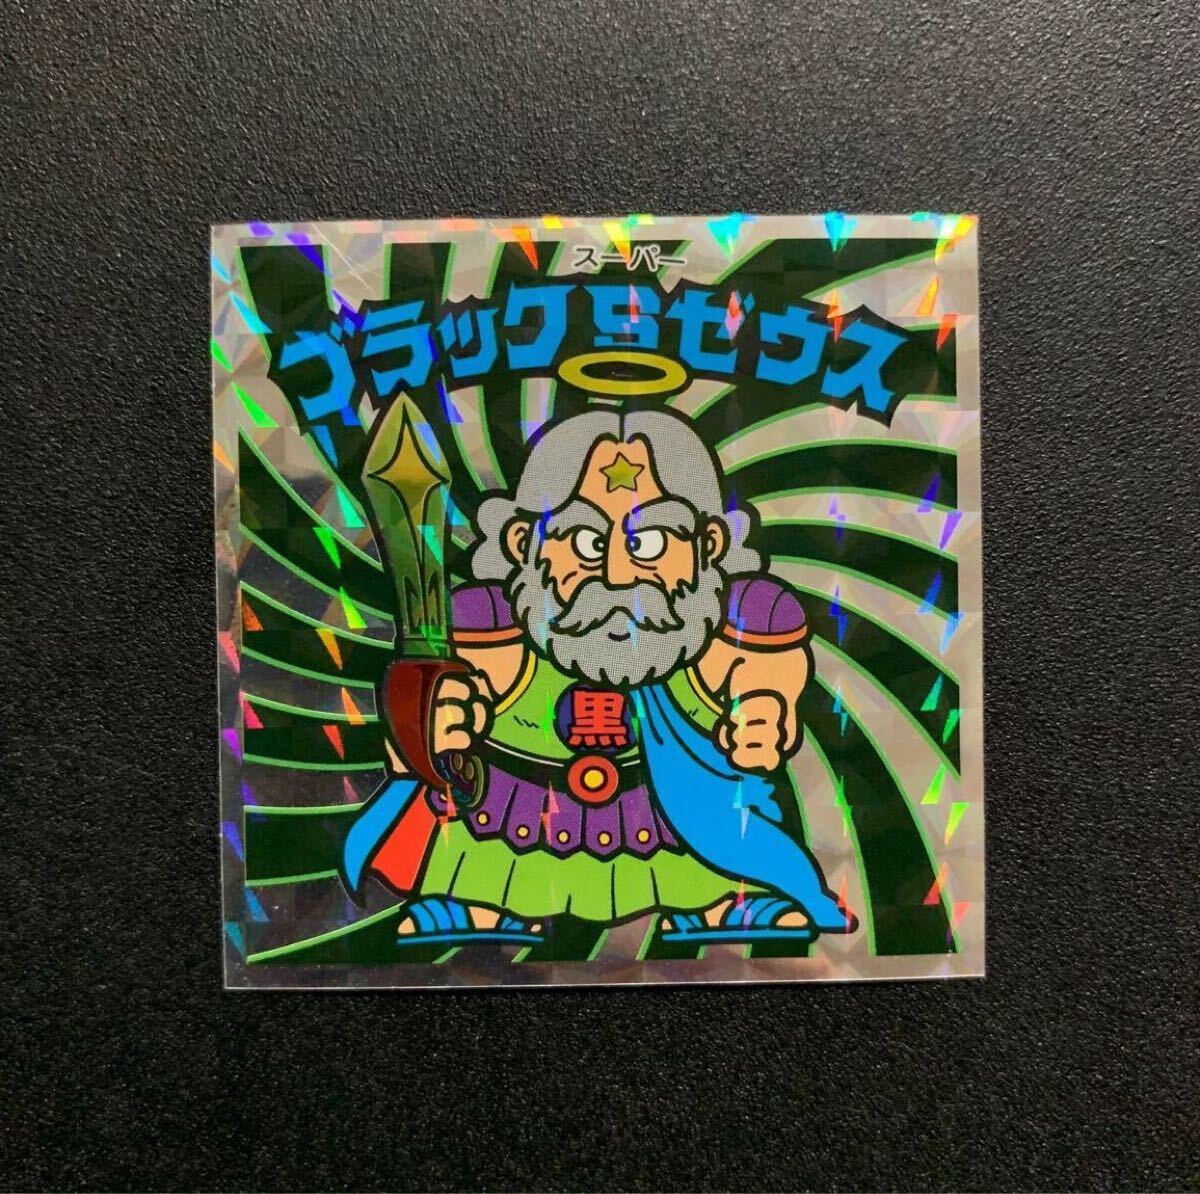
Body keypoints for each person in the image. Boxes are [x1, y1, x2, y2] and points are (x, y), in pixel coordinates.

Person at [343, 407, 856, 946]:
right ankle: (479, 898)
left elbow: (765, 676)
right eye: (584, 541)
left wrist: (764, 710)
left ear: (708, 545)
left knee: (714, 849)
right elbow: (444, 707)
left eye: (650, 543)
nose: (617, 573)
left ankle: (716, 897)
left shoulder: (739, 620)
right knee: (478, 871)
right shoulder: (489, 624)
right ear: (523, 543)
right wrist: (429, 723)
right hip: (516, 832)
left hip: (679, 838)